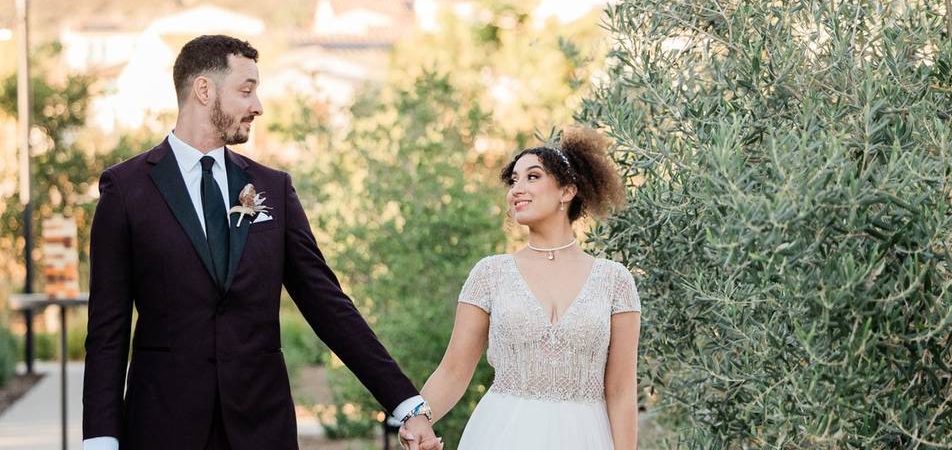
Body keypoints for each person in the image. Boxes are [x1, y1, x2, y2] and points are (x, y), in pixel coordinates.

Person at [82, 35, 440, 450]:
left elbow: (328, 304)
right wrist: (100, 439)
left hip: (262, 428)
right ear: (204, 90)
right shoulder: (126, 189)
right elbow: (107, 331)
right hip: (163, 426)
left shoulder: (272, 187)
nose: (258, 106)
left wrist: (406, 403)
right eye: (246, 90)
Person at [400, 127, 641, 450]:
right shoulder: (490, 274)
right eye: (513, 180)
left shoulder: (615, 281)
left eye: (532, 177)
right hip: (501, 433)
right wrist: (419, 421)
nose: (516, 189)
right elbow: (454, 370)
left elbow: (622, 390)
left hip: (586, 437)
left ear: (567, 191)